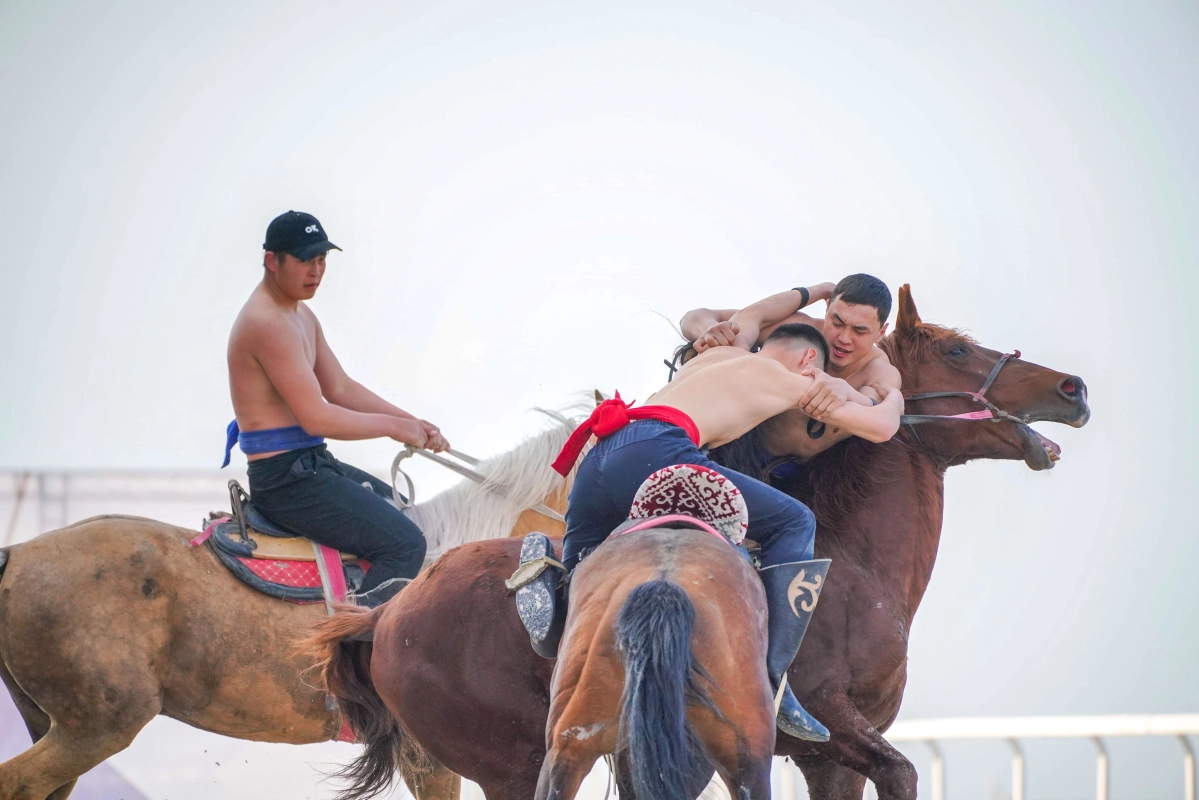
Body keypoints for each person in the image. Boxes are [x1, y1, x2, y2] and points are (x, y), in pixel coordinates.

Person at [516, 323, 903, 742]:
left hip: (601, 454)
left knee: (583, 576)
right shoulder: (785, 378)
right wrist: (895, 396)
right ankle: (772, 681)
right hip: (660, 451)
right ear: (808, 359)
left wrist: (817, 292)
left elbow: (743, 317)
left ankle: (551, 590)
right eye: (816, 370)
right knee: (796, 521)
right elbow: (880, 427)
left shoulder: (718, 358)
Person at [222, 210, 449, 608]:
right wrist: (395, 428)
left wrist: (412, 421)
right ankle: (349, 658)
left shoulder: (300, 314)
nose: (316, 271)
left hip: (309, 466)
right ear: (272, 261)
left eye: (322, 259)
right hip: (286, 482)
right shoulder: (266, 323)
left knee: (408, 517)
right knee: (404, 545)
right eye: (305, 260)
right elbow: (317, 417)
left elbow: (340, 388)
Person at [679, 275, 901, 467]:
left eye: (859, 332)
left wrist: (846, 391)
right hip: (726, 443)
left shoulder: (880, 371)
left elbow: (874, 414)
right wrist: (708, 330)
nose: (844, 338)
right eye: (837, 322)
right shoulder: (799, 330)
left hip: (795, 476)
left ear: (881, 332)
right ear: (827, 309)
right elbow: (697, 317)